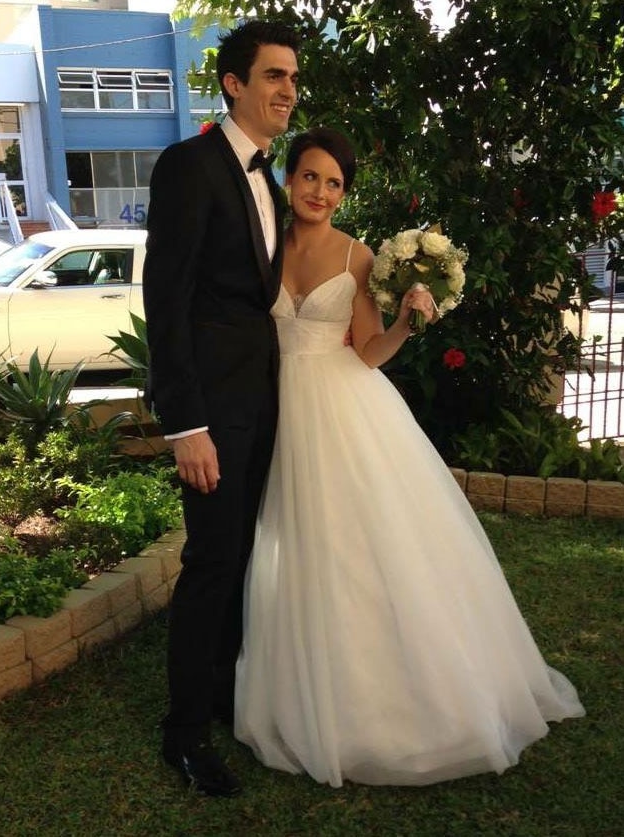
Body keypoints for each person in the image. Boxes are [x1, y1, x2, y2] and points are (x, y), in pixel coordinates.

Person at [234, 127, 585, 788]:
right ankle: (308, 688)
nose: (320, 191)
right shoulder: (264, 248)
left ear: (343, 193)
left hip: (342, 409)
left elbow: (365, 350)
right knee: (298, 548)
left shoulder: (357, 256)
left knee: (363, 548)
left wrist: (405, 320)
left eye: (333, 182)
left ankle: (395, 702)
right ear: (288, 181)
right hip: (279, 411)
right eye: (309, 176)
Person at [142, 20, 300, 798]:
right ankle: (184, 735)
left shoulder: (268, 181)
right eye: (273, 76)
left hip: (263, 406)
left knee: (240, 559)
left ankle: (224, 697)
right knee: (211, 564)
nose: (287, 92)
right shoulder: (189, 165)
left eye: (293, 80)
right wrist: (186, 425)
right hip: (211, 415)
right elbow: (165, 301)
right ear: (233, 83)